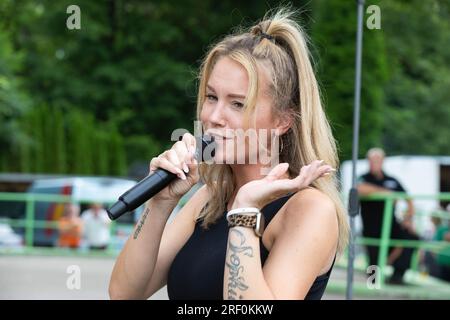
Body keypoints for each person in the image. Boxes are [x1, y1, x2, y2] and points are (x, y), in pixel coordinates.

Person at [109, 8, 349, 300]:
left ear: (282, 121)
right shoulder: (209, 199)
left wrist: (245, 214)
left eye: (237, 104)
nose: (214, 116)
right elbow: (124, 294)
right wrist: (160, 204)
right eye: (211, 97)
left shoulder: (309, 210)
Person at [357, 148, 420, 285]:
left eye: (378, 160)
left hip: (391, 226)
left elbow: (408, 199)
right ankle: (373, 286)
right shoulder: (364, 177)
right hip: (371, 228)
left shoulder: (392, 180)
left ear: (383, 161)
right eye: (372, 160)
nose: (375, 163)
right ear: (368, 161)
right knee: (374, 263)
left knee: (412, 237)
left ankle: (397, 275)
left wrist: (409, 219)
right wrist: (387, 193)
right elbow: (360, 188)